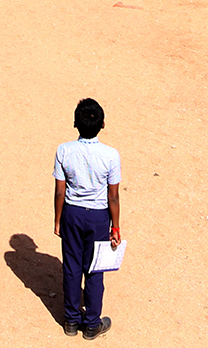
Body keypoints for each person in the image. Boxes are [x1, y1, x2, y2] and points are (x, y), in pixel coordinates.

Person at [54, 98, 121, 340]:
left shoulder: (64, 151)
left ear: (76, 123)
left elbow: (60, 190)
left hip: (72, 213)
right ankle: (92, 323)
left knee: (71, 267)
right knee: (95, 269)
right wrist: (116, 226)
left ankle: (71, 320)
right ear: (103, 124)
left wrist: (58, 219)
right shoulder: (111, 156)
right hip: (99, 218)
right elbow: (113, 196)